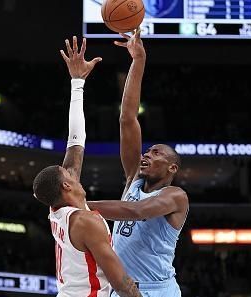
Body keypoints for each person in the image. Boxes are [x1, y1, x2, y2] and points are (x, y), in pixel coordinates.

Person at [32, 36, 142, 297]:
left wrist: (77, 83)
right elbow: (121, 282)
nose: (70, 168)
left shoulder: (58, 208)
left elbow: (75, 141)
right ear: (67, 184)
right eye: (66, 171)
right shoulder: (84, 222)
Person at [87, 30, 189, 297]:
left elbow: (138, 211)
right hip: (122, 289)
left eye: (156, 153)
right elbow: (127, 119)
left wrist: (83, 206)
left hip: (157, 291)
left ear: (172, 168)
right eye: (147, 151)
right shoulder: (135, 177)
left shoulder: (176, 196)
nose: (146, 155)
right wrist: (138, 60)